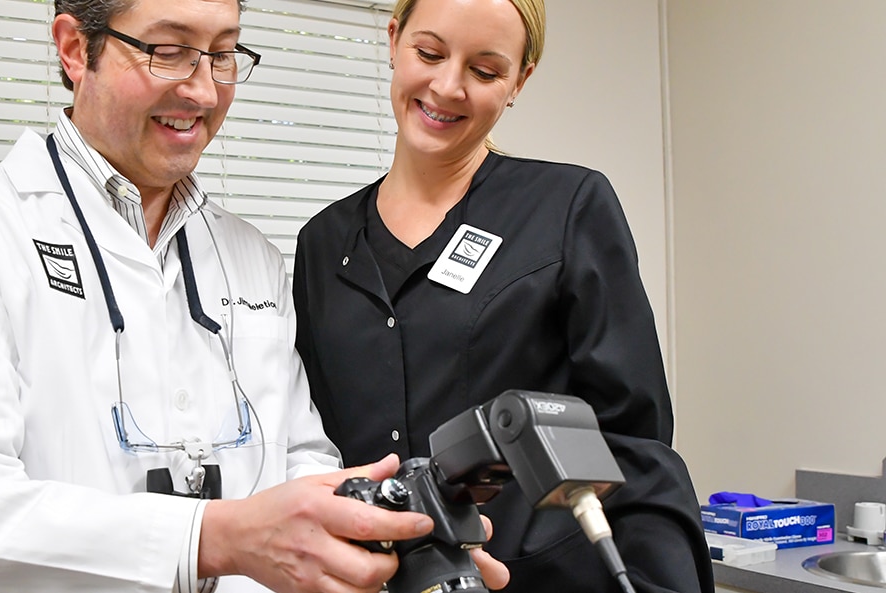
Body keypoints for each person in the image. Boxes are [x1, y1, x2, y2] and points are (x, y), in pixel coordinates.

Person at [0, 1, 510, 592]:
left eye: (223, 53)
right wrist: (211, 538)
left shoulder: (249, 255)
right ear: (73, 49)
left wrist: (391, 540)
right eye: (168, 51)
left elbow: (299, 460)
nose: (203, 90)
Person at [293, 0, 715, 591]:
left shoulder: (566, 207)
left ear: (521, 79)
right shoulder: (323, 243)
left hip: (543, 576)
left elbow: (635, 441)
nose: (447, 87)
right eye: (429, 53)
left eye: (485, 71)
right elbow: (311, 440)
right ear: (393, 40)